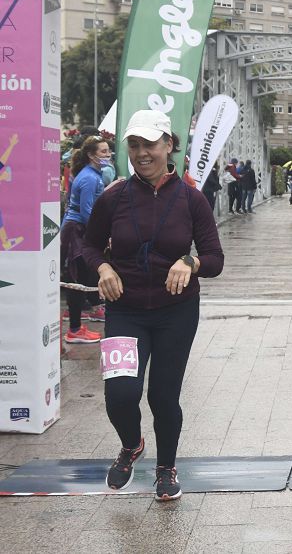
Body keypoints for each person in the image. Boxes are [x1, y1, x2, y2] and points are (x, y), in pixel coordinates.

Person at [82, 109, 224, 501]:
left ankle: (166, 468)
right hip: (125, 309)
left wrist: (190, 262)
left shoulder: (192, 199)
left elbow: (215, 259)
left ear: (169, 145)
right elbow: (88, 245)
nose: (142, 153)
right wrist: (104, 267)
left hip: (176, 312)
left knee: (163, 396)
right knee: (120, 394)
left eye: (150, 144)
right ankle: (131, 445)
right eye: (134, 145)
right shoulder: (115, 198)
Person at [60, 135, 111, 344]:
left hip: (79, 230)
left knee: (81, 277)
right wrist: (102, 236)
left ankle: (76, 326)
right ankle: (74, 330)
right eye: (103, 152)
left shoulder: (93, 175)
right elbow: (87, 212)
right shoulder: (89, 178)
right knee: (75, 280)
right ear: (91, 155)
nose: (108, 155)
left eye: (109, 151)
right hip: (75, 232)